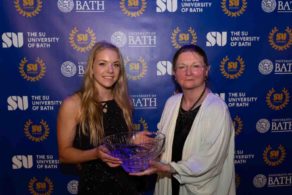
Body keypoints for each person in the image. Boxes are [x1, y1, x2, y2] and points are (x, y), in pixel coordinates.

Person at [131, 44, 236, 195]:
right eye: (182, 67)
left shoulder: (217, 109)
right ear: (174, 73)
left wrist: (167, 168)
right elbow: (165, 146)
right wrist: (145, 145)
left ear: (206, 71)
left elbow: (210, 161)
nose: (188, 72)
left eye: (195, 66)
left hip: (203, 188)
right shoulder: (171, 103)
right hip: (169, 184)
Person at [57, 41, 144, 195]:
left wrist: (134, 141)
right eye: (103, 64)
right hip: (94, 187)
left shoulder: (124, 102)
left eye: (116, 65)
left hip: (126, 185)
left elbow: (118, 144)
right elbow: (64, 155)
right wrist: (95, 154)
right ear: (91, 68)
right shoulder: (73, 104)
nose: (110, 70)